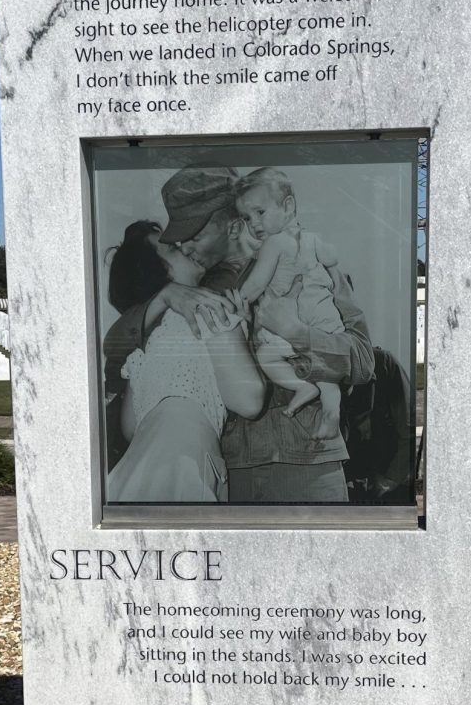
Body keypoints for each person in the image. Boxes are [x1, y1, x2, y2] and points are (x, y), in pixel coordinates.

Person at [103, 165, 375, 504]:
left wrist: (297, 332)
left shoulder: (310, 259)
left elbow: (363, 361)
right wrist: (164, 297)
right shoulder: (186, 294)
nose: (185, 244)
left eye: (194, 232)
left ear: (231, 222)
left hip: (307, 466)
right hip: (230, 478)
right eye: (178, 239)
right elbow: (115, 355)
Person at [105, 220, 264, 503]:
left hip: (134, 471)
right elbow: (249, 400)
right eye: (172, 248)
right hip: (184, 466)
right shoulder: (210, 311)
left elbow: (130, 428)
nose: (184, 247)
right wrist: (237, 334)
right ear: (155, 271)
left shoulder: (142, 346)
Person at [234, 168, 343, 441]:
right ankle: (331, 413)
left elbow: (257, 284)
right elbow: (332, 258)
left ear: (288, 206)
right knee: (326, 372)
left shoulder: (273, 243)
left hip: (292, 323)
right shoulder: (309, 238)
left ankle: (301, 388)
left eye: (260, 212)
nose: (254, 223)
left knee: (267, 356)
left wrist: (236, 300)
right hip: (326, 321)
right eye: (247, 218)